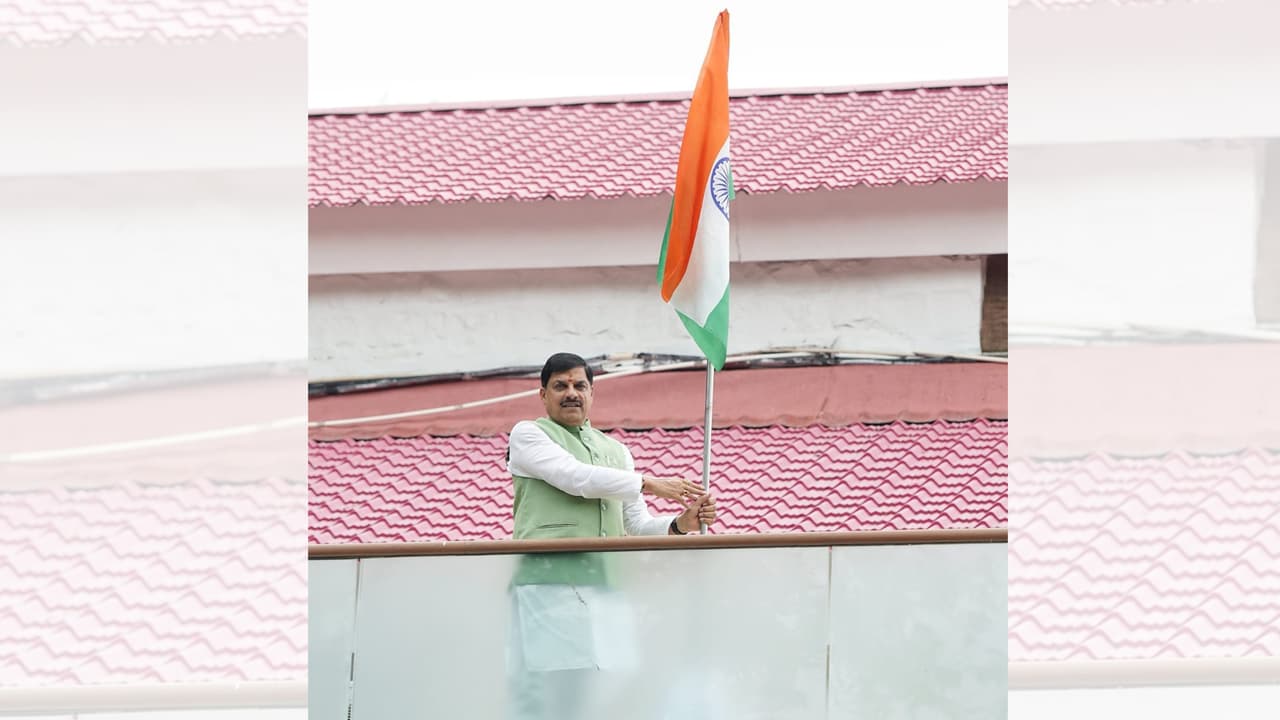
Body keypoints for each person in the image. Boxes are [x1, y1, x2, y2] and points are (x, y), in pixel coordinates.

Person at [504, 352, 718, 719]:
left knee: (601, 696)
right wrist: (649, 483)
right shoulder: (529, 434)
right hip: (548, 587)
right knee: (550, 696)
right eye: (560, 386)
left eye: (579, 385)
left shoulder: (617, 451)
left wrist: (680, 523)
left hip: (605, 591)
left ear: (592, 393)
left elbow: (635, 525)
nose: (571, 393)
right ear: (543, 395)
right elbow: (575, 478)